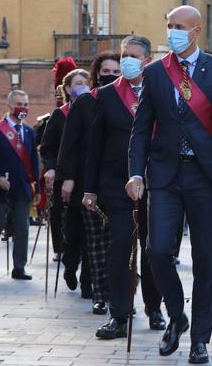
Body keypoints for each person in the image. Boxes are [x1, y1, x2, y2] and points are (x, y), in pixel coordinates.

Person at [126, 5, 212, 364]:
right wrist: (134, 172)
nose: (173, 32)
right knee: (158, 251)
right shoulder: (156, 73)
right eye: (169, 26)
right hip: (164, 175)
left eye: (180, 26)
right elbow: (141, 130)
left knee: (206, 261)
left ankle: (200, 340)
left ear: (195, 31)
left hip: (206, 178)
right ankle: (177, 314)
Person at [82, 35, 166, 339]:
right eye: (124, 55)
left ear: (147, 59)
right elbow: (95, 146)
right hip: (117, 186)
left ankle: (154, 307)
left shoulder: (162, 90)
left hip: (157, 185)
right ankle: (118, 314)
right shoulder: (106, 95)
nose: (127, 60)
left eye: (134, 55)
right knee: (119, 248)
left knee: (154, 249)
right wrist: (89, 189)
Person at [57, 51, 120, 306]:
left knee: (119, 242)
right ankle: (101, 295)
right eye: (106, 72)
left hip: (119, 182)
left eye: (116, 72)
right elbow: (69, 145)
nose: (111, 76)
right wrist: (68, 178)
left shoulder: (128, 101)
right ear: (96, 74)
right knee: (94, 242)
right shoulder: (84, 103)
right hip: (87, 182)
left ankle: (121, 295)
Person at [41, 69, 94, 300]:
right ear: (68, 88)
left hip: (89, 179)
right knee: (72, 233)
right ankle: (70, 267)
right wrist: (51, 167)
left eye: (85, 82)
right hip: (67, 183)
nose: (81, 86)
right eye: (77, 83)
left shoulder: (96, 110)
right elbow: (48, 147)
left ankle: (87, 282)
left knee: (91, 236)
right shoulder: (60, 114)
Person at [0, 90, 40, 280]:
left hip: (22, 187)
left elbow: (33, 160)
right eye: (19, 103)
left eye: (26, 104)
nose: (23, 107)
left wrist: (36, 185)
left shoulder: (29, 132)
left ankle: (19, 267)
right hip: (0, 187)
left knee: (22, 227)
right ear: (10, 105)